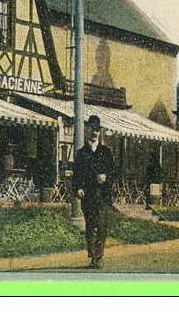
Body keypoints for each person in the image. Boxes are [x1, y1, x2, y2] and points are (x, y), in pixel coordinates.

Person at [73, 115, 114, 269]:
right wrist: (78, 188)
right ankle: (92, 257)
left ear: (100, 131)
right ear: (87, 129)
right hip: (88, 196)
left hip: (102, 196)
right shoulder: (81, 153)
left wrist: (106, 177)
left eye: (97, 130)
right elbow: (76, 175)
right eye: (92, 129)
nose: (95, 133)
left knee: (102, 225)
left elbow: (112, 173)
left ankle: (99, 256)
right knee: (90, 226)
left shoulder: (105, 152)